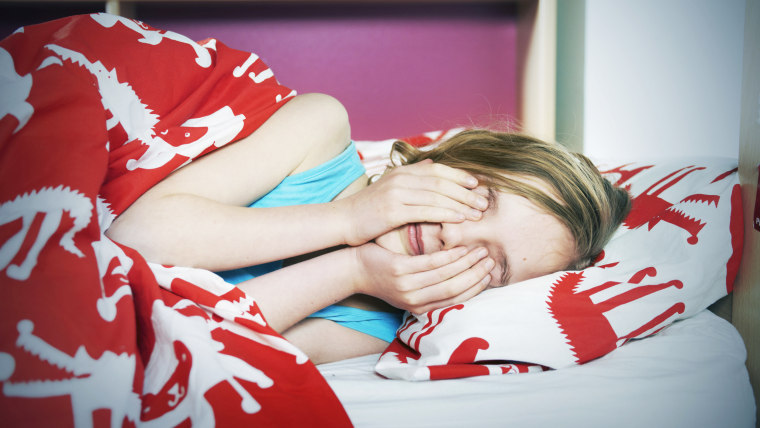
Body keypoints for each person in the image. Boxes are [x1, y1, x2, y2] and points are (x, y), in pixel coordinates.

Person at [106, 93, 631, 364]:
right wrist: (350, 219)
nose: (456, 237)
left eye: (490, 265)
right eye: (481, 200)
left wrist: (352, 269)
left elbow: (187, 343)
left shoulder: (370, 331)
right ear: (458, 157)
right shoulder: (318, 131)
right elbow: (133, 240)